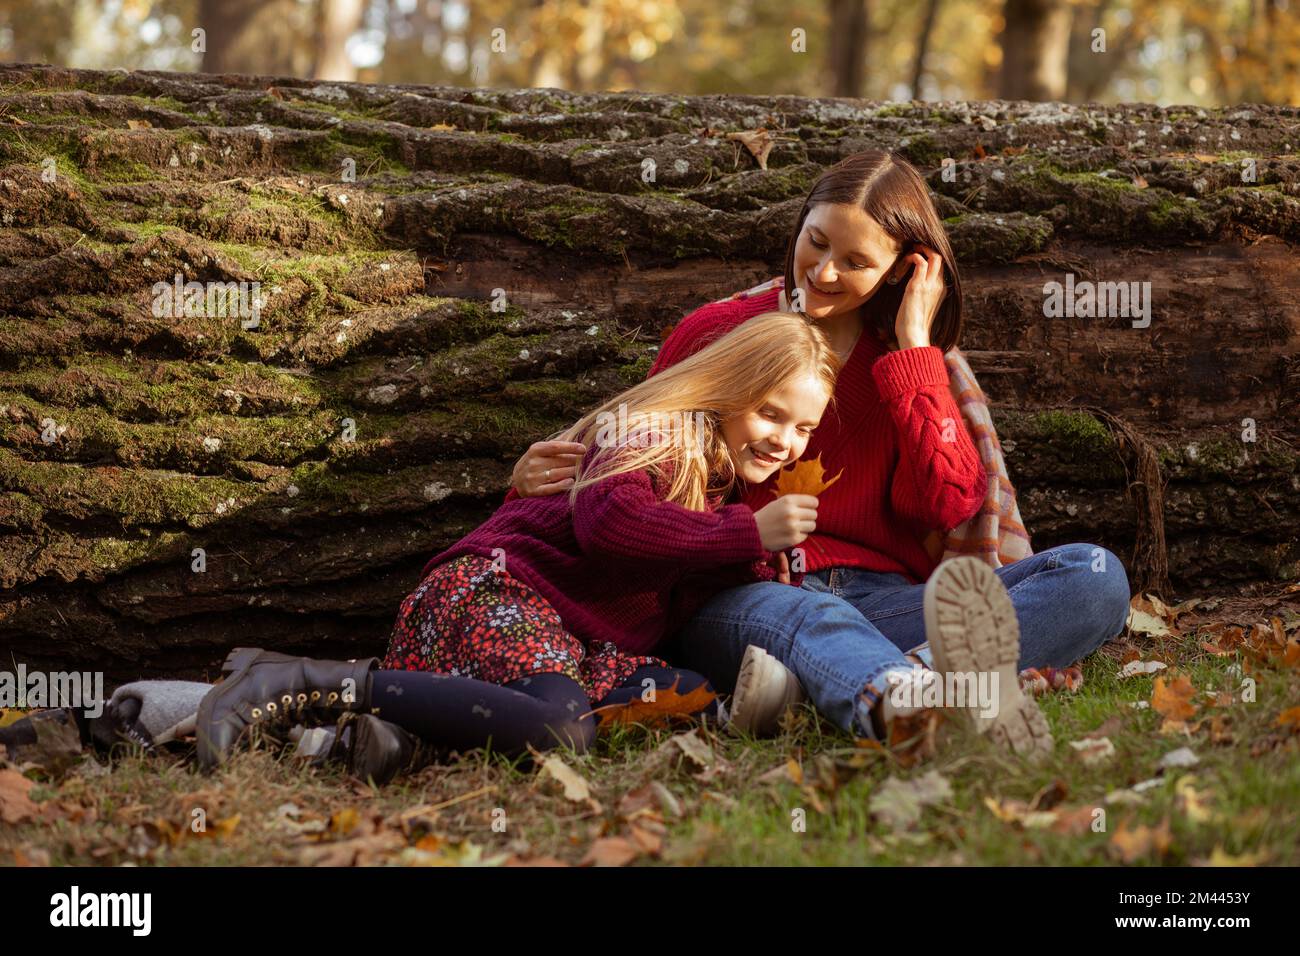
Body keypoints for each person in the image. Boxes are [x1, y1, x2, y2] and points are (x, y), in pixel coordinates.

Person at [505, 149, 1132, 756]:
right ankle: (902, 707)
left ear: (901, 271)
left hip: (884, 601)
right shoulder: (721, 332)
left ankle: (861, 687)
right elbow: (636, 462)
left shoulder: (912, 366)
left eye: (855, 260)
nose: (824, 271)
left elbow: (950, 505)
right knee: (814, 623)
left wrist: (915, 350)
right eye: (817, 241)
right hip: (740, 596)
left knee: (1093, 578)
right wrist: (531, 481)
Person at [190, 310, 843, 781]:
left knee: (689, 694)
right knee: (559, 730)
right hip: (493, 599)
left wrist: (758, 558)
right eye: (770, 413)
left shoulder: (723, 490)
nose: (786, 440)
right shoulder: (657, 434)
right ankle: (304, 679)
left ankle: (394, 742)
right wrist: (747, 534)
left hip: (571, 643)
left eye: (804, 427)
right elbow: (612, 528)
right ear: (726, 389)